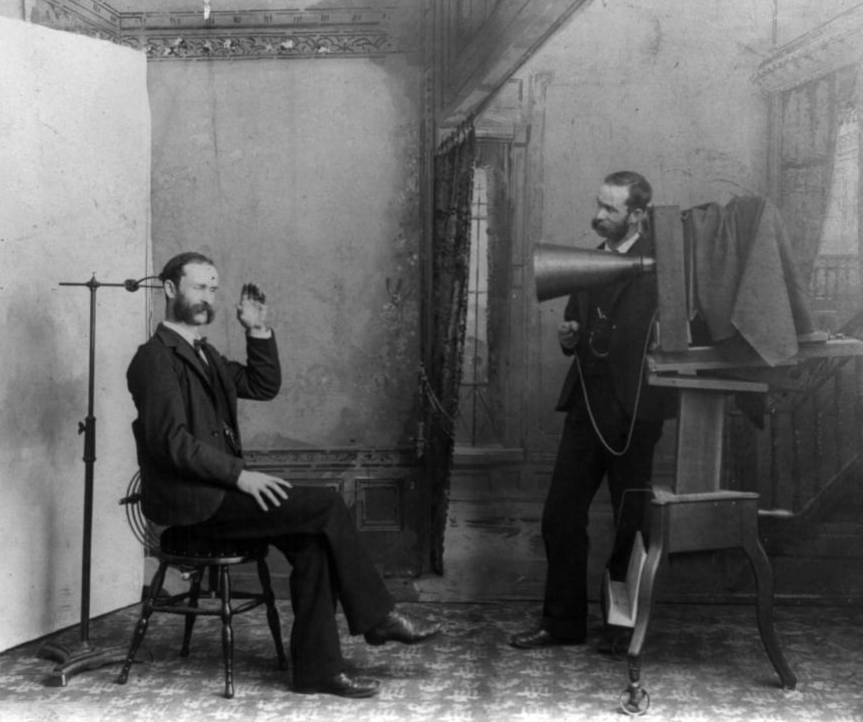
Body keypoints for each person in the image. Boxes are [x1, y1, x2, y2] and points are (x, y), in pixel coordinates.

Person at [126, 251, 441, 699]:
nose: (207, 298)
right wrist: (240, 476)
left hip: (219, 494)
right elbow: (171, 443)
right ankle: (378, 617)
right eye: (199, 287)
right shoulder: (155, 358)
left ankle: (318, 671)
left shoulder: (205, 354)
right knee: (328, 504)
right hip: (194, 505)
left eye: (213, 289)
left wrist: (256, 328)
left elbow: (262, 385)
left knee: (314, 542)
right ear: (171, 289)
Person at [509, 171, 676, 652]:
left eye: (611, 209)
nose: (599, 216)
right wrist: (570, 337)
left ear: (638, 215)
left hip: (635, 411)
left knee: (631, 523)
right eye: (598, 206)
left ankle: (623, 628)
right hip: (587, 405)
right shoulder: (586, 262)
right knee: (560, 515)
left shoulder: (664, 267)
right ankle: (561, 624)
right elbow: (575, 325)